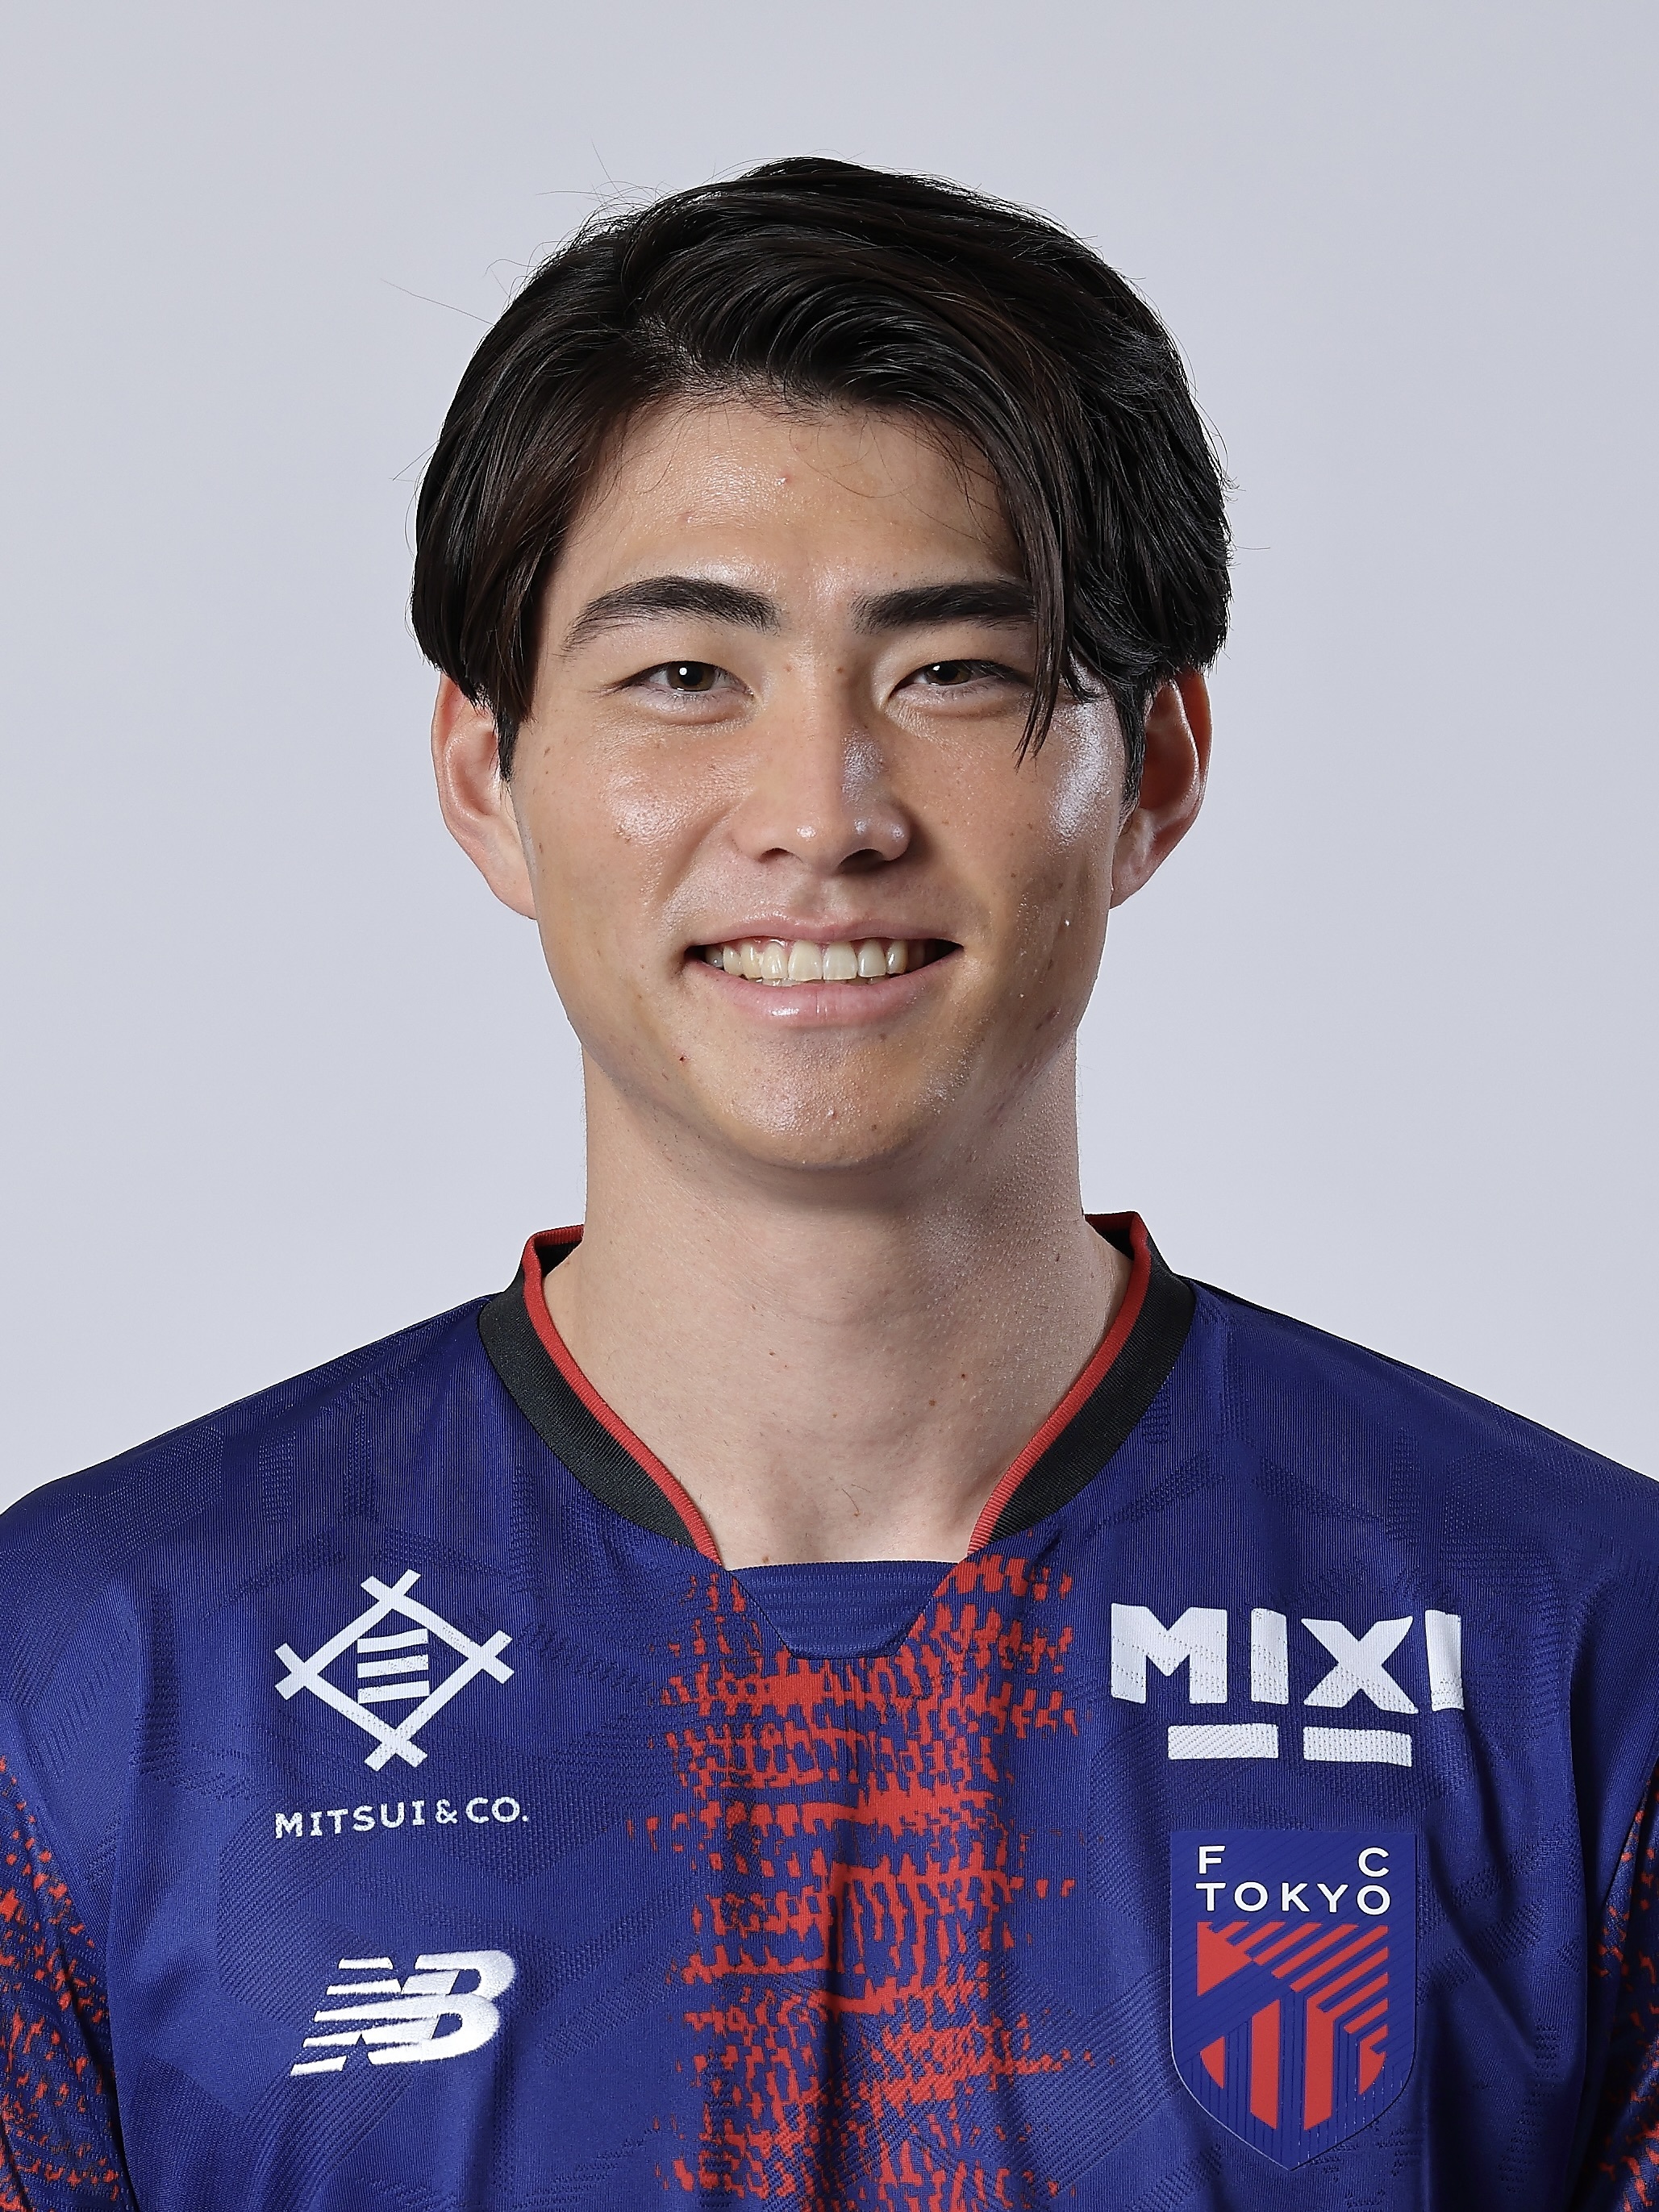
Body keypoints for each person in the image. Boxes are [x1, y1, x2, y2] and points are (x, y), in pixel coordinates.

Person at [0, 157, 1653, 2212]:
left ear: (1152, 772)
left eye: (952, 673)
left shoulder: (1580, 1652)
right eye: (686, 676)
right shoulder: (90, 1679)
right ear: (486, 777)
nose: (820, 813)